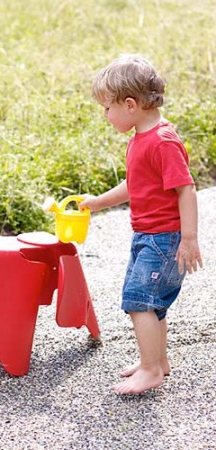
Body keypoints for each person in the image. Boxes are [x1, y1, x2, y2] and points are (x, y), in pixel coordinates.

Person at [80, 54, 203, 395]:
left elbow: (186, 188)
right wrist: (97, 202)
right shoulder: (141, 138)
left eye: (107, 108)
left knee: (139, 302)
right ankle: (157, 361)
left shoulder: (162, 142)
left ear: (130, 104)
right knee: (153, 302)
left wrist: (189, 238)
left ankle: (150, 369)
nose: (105, 115)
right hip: (147, 236)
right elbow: (135, 185)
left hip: (163, 239)